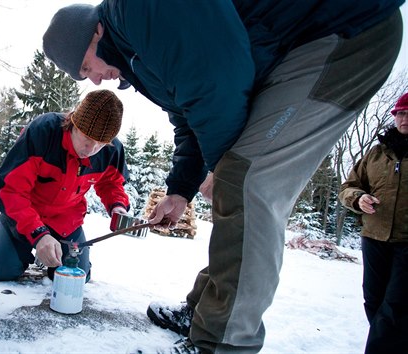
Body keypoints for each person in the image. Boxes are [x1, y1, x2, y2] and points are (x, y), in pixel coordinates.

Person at [42, 1, 404, 352]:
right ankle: (207, 315)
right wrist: (180, 190)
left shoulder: (140, 10)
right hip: (291, 46)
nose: (92, 80)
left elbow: (216, 75)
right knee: (237, 180)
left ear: (95, 33)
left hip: (342, 30)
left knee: (248, 183)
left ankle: (223, 341)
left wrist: (220, 165)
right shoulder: (135, 57)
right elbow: (187, 114)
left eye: (86, 67)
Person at [0, 89, 130, 283]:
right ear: (74, 123)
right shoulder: (43, 132)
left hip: (66, 222)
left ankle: (57, 256)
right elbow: (10, 189)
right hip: (24, 215)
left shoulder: (112, 150)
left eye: (100, 144)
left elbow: (111, 184)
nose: (91, 150)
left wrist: (117, 206)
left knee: (76, 277)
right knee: (2, 270)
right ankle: (7, 240)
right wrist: (39, 234)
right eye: (87, 139)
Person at [338, 93, 408, 354]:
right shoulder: (377, 153)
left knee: (395, 306)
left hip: (406, 242)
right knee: (374, 302)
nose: (404, 118)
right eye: (400, 113)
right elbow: (348, 187)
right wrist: (358, 198)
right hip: (374, 238)